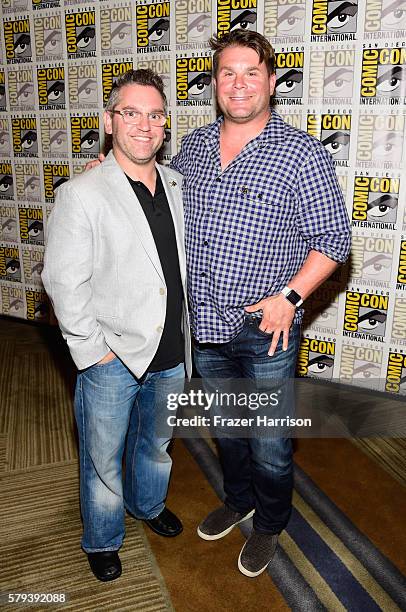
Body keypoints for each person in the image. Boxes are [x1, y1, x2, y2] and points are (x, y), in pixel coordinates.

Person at [170, 30, 351, 578]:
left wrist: (291, 298)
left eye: (251, 72)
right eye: (228, 72)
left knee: (271, 442)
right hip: (205, 323)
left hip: (265, 327)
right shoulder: (195, 146)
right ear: (215, 82)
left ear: (271, 82)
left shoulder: (299, 151)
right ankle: (239, 498)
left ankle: (271, 522)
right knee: (227, 430)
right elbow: (158, 195)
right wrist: (105, 176)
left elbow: (334, 240)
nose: (239, 83)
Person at [42, 69, 191, 582]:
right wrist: (93, 351)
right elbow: (62, 282)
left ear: (164, 124)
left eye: (154, 115)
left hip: (171, 351)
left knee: (156, 445)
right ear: (109, 121)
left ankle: (147, 507)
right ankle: (102, 539)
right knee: (102, 459)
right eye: (131, 113)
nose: (144, 125)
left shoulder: (176, 184)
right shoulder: (82, 193)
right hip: (112, 359)